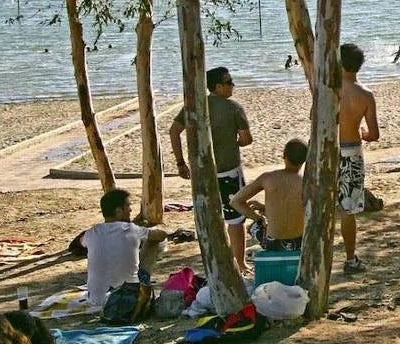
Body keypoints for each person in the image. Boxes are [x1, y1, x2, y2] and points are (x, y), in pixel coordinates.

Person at [169, 66, 252, 273]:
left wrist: (180, 162)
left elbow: (174, 131)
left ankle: (216, 262)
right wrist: (235, 142)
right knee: (235, 218)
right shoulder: (234, 108)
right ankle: (239, 263)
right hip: (228, 171)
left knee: (211, 218)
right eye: (229, 82)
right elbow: (246, 139)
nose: (233, 85)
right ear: (217, 86)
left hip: (203, 172)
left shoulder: (195, 105)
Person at [83, 189, 168, 308]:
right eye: (128, 206)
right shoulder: (131, 229)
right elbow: (161, 235)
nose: (130, 210)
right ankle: (143, 286)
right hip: (127, 298)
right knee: (154, 242)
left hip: (96, 299)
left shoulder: (92, 232)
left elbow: (82, 243)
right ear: (118, 211)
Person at [337, 44, 379, 274]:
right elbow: (374, 134)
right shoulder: (365, 95)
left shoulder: (329, 90)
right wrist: (361, 131)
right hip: (352, 151)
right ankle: (350, 258)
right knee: (348, 209)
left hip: (328, 150)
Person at [230, 138, 308, 252]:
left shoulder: (267, 178)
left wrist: (259, 219)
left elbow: (235, 201)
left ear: (284, 156)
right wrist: (265, 208)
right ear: (305, 160)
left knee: (252, 227)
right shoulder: (306, 182)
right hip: (299, 242)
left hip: (272, 243)